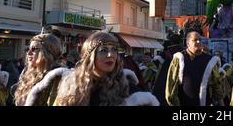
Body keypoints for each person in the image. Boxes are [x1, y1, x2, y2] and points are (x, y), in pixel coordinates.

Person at [28, 31, 159, 106]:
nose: (111, 55)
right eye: (103, 50)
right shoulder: (70, 85)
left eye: (114, 50)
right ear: (89, 56)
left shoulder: (127, 87)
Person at [165, 31, 224, 106]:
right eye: (195, 40)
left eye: (200, 40)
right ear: (188, 43)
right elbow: (171, 84)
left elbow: (217, 86)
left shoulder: (210, 60)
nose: (198, 41)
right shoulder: (179, 59)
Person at [13, 33, 62, 106]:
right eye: (28, 49)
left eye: (33, 49)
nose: (29, 53)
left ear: (47, 52)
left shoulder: (57, 78)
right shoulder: (28, 74)